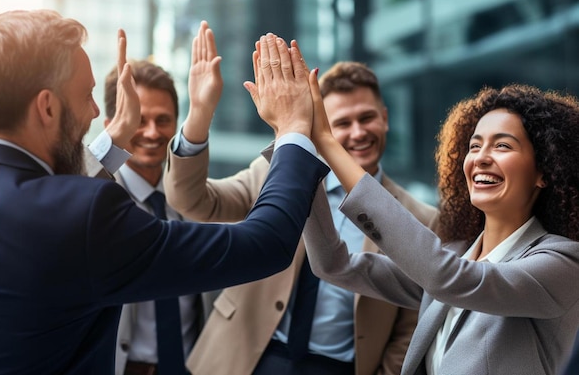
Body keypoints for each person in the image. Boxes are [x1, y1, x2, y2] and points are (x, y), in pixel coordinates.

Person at [0, 9, 330, 375]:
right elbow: (266, 244)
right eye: (86, 95)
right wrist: (293, 129)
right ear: (47, 108)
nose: (94, 112)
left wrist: (118, 135)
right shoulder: (87, 212)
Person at [163, 26, 438, 375]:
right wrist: (199, 114)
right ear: (321, 125)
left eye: (367, 117)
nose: (358, 132)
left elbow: (411, 324)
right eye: (342, 123)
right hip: (246, 356)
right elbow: (191, 201)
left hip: (341, 367)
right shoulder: (274, 175)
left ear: (384, 118)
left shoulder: (420, 217)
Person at [297, 76, 579, 374]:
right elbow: (333, 265)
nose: (481, 158)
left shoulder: (563, 264)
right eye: (474, 146)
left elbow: (449, 278)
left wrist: (328, 141)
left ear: (544, 172)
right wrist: (297, 144)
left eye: (502, 146)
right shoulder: (455, 254)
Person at [103, 59, 215, 374]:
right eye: (138, 119)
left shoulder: (201, 201)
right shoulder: (93, 202)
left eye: (163, 120)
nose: (152, 133)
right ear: (113, 125)